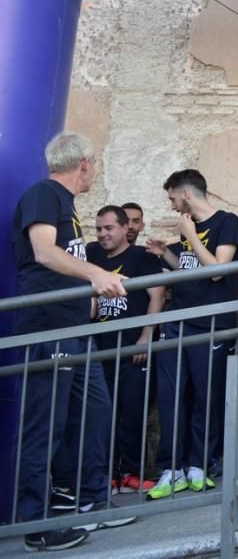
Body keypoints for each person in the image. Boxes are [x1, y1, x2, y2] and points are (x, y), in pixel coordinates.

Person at [11, 132, 131, 551]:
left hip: (76, 328)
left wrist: (91, 291)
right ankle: (36, 522)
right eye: (93, 163)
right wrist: (95, 275)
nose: (93, 170)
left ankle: (92, 501)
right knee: (46, 424)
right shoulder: (45, 194)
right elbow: (44, 252)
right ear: (82, 163)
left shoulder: (67, 205)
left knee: (95, 411)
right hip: (49, 327)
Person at [146, 169, 238, 498]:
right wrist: (168, 255)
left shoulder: (227, 222)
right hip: (178, 321)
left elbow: (218, 271)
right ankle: (171, 468)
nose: (173, 206)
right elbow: (191, 268)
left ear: (186, 193)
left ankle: (200, 464)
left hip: (212, 322)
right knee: (171, 395)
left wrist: (191, 234)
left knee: (206, 396)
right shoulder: (187, 230)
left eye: (173, 198)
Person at [90, 205, 164, 494]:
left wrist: (146, 336)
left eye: (108, 228)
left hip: (134, 348)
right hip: (101, 349)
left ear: (124, 229)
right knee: (102, 414)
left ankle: (131, 473)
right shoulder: (92, 255)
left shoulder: (141, 257)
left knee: (132, 413)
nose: (103, 234)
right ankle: (108, 474)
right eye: (98, 229)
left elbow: (157, 295)